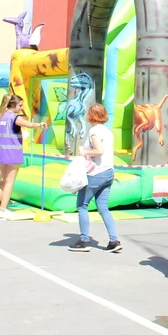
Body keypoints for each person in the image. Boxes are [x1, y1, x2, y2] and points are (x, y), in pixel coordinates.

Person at [70, 103, 121, 253]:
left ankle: (84, 240)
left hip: (96, 173)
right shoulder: (107, 131)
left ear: (90, 115)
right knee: (103, 207)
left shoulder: (94, 131)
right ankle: (114, 240)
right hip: (108, 172)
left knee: (82, 205)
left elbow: (99, 151)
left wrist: (84, 152)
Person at [0, 94, 48, 218]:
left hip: (1, 153)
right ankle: (3, 209)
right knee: (9, 182)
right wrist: (40, 124)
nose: (21, 108)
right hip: (13, 153)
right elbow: (28, 124)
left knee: (2, 181)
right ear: (13, 105)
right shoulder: (14, 117)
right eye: (20, 105)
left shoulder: (0, 116)